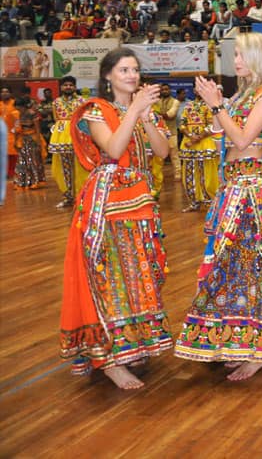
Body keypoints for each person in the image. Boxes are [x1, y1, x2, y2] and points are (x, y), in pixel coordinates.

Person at [174, 31, 262, 382]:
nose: (234, 61)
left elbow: (241, 138)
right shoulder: (241, 94)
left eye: (240, 55)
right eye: (234, 54)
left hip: (251, 188)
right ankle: (234, 341)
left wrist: (217, 106)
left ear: (256, 58)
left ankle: (258, 349)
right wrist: (218, 107)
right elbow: (220, 134)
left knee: (252, 267)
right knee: (227, 267)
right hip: (231, 185)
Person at [60, 47, 171, 389]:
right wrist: (134, 111)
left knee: (137, 273)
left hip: (138, 202)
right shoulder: (96, 111)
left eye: (135, 70)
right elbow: (112, 150)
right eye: (124, 70)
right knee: (111, 277)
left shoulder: (140, 110)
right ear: (107, 76)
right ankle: (109, 359)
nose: (132, 76)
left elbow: (163, 152)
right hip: (107, 203)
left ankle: (131, 344)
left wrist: (146, 116)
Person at [178, 89, 219, 212]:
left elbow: (212, 125)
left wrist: (197, 138)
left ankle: (211, 202)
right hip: (189, 144)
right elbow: (182, 124)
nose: (198, 91)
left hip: (205, 143)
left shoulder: (211, 105)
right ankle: (194, 202)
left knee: (208, 174)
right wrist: (191, 136)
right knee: (189, 174)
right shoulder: (189, 106)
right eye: (196, 88)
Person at [49, 76, 86, 208]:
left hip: (77, 135)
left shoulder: (82, 101)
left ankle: (81, 196)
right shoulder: (56, 102)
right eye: (65, 85)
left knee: (80, 166)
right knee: (64, 167)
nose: (68, 87)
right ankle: (67, 197)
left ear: (75, 87)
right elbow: (56, 120)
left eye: (71, 85)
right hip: (61, 138)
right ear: (61, 87)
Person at [12, 96, 46, 189]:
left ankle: (36, 181)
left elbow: (38, 129)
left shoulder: (32, 114)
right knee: (22, 161)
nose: (18, 109)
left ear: (23, 106)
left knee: (33, 161)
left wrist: (39, 143)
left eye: (19, 107)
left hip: (33, 139)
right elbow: (17, 129)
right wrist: (16, 141)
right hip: (23, 140)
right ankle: (22, 182)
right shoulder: (19, 114)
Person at [152, 83, 180, 180]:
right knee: (158, 156)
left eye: (166, 89)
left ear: (170, 90)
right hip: (159, 133)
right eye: (163, 90)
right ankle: (158, 177)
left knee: (174, 155)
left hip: (171, 132)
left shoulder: (175, 102)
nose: (164, 91)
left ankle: (177, 173)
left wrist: (155, 113)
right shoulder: (157, 101)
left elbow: (170, 115)